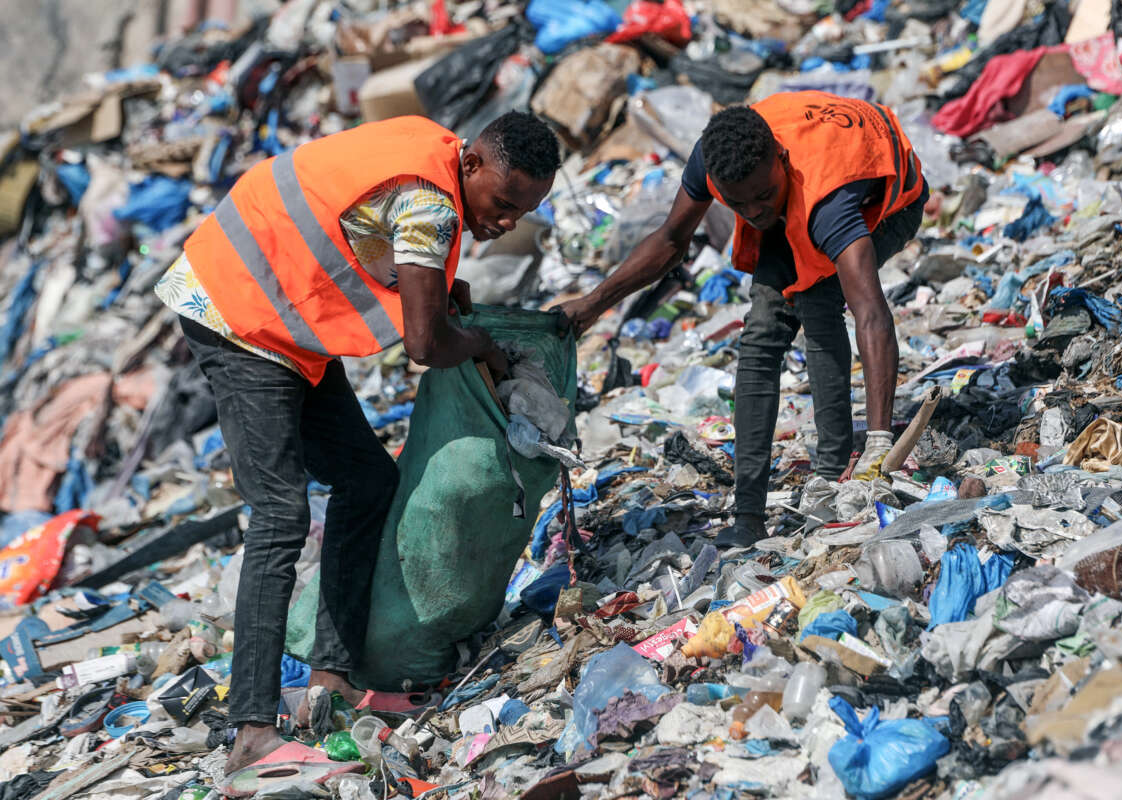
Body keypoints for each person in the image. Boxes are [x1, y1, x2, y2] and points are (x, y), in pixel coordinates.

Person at [155, 111, 561, 774]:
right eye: (505, 203)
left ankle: (332, 678)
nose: (508, 221)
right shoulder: (430, 201)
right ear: (473, 166)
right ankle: (252, 731)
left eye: (525, 211)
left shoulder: (431, 156)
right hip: (236, 314)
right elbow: (427, 344)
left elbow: (384, 254)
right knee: (281, 514)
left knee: (368, 481)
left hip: (280, 322)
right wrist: (484, 345)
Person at [558, 91, 927, 548]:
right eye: (738, 205)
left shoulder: (827, 203)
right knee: (760, 337)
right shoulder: (718, 162)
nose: (753, 212)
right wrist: (593, 304)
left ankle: (834, 477)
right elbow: (672, 239)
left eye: (762, 196)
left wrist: (880, 439)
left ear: (781, 159)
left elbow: (871, 313)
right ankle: (747, 514)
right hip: (798, 188)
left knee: (817, 300)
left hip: (890, 198)